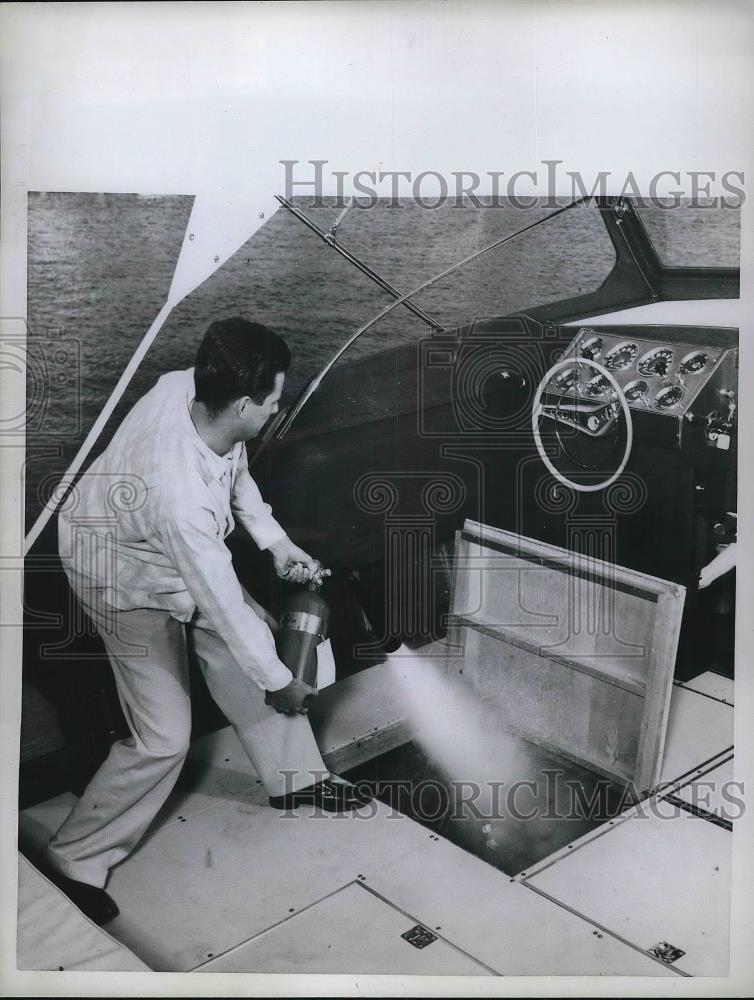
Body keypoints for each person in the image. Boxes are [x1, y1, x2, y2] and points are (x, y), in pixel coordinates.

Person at [40, 317, 370, 925]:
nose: (276, 410)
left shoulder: (188, 389)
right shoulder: (179, 497)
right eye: (272, 402)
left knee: (256, 646)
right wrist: (281, 680)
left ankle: (294, 779)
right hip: (118, 576)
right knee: (165, 734)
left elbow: (231, 463)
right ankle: (75, 857)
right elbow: (217, 594)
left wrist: (276, 543)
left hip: (174, 550)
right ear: (244, 402)